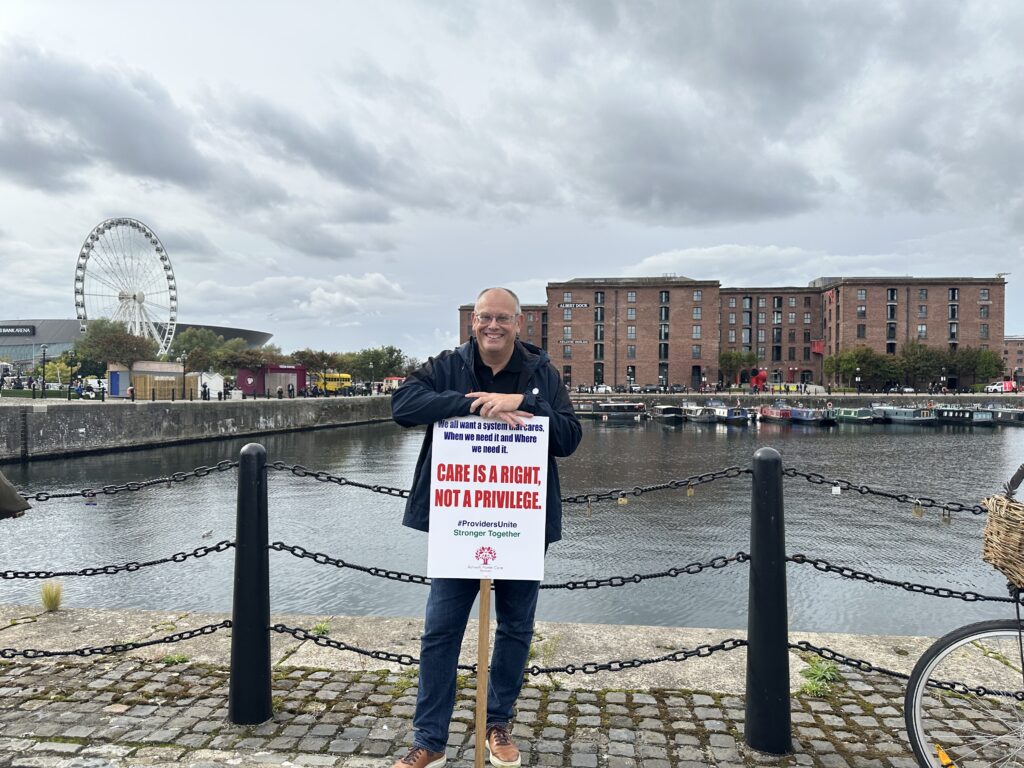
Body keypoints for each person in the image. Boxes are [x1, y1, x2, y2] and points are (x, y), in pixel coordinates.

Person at [390, 287, 582, 768]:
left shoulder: (541, 374)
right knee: (440, 631)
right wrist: (474, 403)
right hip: (461, 520)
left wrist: (523, 401)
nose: (492, 326)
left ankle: (497, 723)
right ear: (472, 322)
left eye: (502, 318)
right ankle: (430, 739)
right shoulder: (448, 364)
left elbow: (569, 437)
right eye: (484, 318)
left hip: (521, 519)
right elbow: (404, 406)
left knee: (515, 628)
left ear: (519, 323)